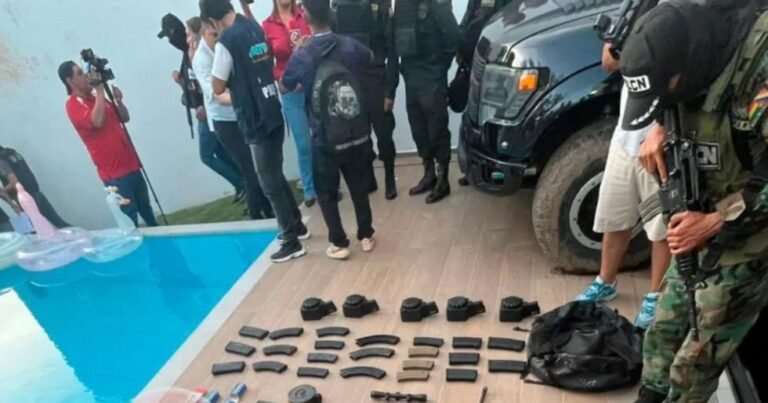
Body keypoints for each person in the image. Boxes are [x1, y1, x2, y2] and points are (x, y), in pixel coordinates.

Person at [614, 2, 767, 402]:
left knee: (693, 364)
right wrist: (659, 124)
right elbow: (676, 88)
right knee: (661, 334)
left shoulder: (758, 69)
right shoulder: (688, 42)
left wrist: (715, 220)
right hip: (702, 232)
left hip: (752, 242)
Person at [574, 3, 669, 331]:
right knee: (615, 216)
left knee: (661, 228)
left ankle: (656, 296)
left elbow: (690, 79)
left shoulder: (689, 12)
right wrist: (635, 46)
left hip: (663, 139)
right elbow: (608, 61)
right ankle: (606, 281)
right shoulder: (638, 7)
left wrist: (664, 128)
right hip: (626, 135)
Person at [201, 0, 310, 263]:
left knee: (268, 182)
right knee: (274, 173)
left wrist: (234, 82)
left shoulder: (227, 41)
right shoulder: (252, 26)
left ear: (213, 20)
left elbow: (217, 86)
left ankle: (290, 240)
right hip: (271, 107)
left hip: (254, 116)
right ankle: (297, 224)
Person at [282, 0, 377, 259]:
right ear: (331, 14)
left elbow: (285, 84)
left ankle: (339, 242)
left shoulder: (303, 54)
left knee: (326, 192)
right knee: (358, 185)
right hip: (356, 130)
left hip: (324, 136)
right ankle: (366, 235)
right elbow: (370, 59)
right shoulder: (350, 46)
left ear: (306, 16)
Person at [192, 19, 275, 220]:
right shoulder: (201, 59)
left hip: (240, 113)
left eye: (218, 34)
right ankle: (258, 214)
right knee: (249, 170)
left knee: (256, 167)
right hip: (224, 121)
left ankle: (266, 210)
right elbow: (216, 94)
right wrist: (246, 97)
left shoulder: (223, 47)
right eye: (213, 35)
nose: (217, 39)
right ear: (203, 33)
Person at [59, 61, 158, 227]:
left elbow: (124, 117)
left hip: (131, 164)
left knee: (146, 208)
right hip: (115, 174)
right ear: (70, 81)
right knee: (129, 217)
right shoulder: (73, 104)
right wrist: (99, 89)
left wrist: (118, 101)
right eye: (80, 74)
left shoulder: (96, 98)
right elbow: (97, 121)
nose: (86, 76)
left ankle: (160, 239)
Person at [394, 0, 461, 204]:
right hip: (411, 72)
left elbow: (453, 36)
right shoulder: (402, 4)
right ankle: (429, 173)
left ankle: (443, 180)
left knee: (437, 128)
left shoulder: (436, 3)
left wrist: (440, 67)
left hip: (431, 74)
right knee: (418, 127)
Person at [332, 0, 400, 200]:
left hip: (376, 80)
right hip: (351, 82)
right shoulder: (338, 6)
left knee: (384, 134)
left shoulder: (381, 5)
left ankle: (389, 178)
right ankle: (369, 178)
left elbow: (392, 53)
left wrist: (390, 91)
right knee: (360, 136)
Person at [175, 16, 246, 204]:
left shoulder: (201, 56)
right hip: (214, 111)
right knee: (222, 153)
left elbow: (211, 88)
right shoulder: (192, 55)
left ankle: (242, 183)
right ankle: (243, 184)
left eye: (188, 34)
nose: (187, 39)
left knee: (210, 155)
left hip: (213, 112)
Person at [262, 0, 318, 208]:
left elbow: (318, 44)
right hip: (289, 91)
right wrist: (278, 80)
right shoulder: (268, 25)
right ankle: (310, 188)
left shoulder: (305, 15)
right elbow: (265, 61)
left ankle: (330, 184)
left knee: (321, 137)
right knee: (303, 143)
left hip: (312, 84)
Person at [0, 145, 71, 229]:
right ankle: (79, 233)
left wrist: (3, 191)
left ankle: (78, 234)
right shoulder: (11, 153)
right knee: (59, 223)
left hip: (24, 200)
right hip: (36, 193)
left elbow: (14, 182)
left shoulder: (1, 161)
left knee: (31, 231)